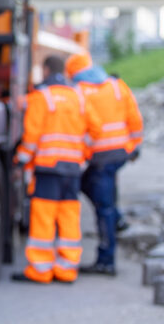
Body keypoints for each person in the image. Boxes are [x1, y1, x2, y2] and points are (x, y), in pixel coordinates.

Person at [12, 55, 103, 284]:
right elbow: (97, 129)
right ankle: (66, 268)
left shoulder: (42, 97)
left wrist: (21, 160)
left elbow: (32, 137)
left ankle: (41, 270)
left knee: (44, 217)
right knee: (69, 217)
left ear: (45, 70)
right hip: (73, 169)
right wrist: (84, 153)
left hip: (47, 168)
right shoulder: (79, 97)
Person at [66, 53, 144, 276]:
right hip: (120, 153)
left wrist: (82, 153)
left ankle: (107, 261)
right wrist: (134, 147)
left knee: (103, 207)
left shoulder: (79, 91)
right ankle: (117, 220)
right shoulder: (117, 85)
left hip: (99, 157)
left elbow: (85, 127)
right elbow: (135, 120)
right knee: (101, 196)